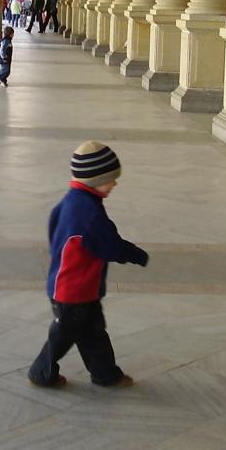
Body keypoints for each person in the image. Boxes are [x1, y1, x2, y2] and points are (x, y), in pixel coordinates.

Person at [28, 141, 148, 389]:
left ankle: (106, 375)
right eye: (110, 179)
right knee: (63, 336)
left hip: (74, 286)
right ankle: (41, 373)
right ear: (95, 180)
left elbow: (54, 233)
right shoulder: (89, 214)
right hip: (73, 291)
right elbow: (111, 245)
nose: (114, 184)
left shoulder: (70, 202)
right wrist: (137, 255)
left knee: (92, 332)